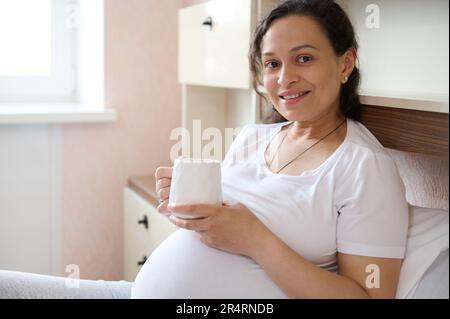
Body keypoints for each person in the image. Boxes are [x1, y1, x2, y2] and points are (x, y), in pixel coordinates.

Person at [131, 0, 408, 299]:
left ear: (345, 63)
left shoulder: (365, 167)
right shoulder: (251, 138)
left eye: (303, 58)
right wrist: (192, 203)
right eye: (272, 64)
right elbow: (223, 229)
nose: (285, 78)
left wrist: (255, 239)